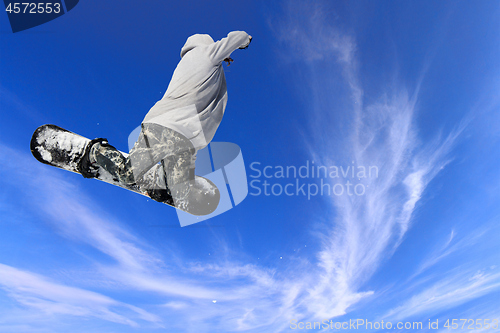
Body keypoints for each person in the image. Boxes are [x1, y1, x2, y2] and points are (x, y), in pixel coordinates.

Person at [78, 31, 252, 215]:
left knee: (180, 192)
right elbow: (238, 36)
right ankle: (96, 151)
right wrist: (244, 42)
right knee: (127, 175)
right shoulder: (204, 55)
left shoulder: (205, 66)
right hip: (163, 129)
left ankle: (164, 181)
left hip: (187, 140)